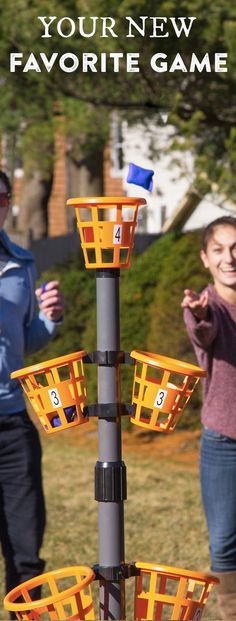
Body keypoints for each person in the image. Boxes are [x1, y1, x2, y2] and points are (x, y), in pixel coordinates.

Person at [0, 170, 64, 601]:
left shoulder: (22, 263)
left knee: (26, 553)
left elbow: (26, 341)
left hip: (13, 425)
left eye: (0, 197)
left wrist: (49, 319)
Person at [181, 215, 236, 621]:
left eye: (235, 248)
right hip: (223, 440)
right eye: (219, 249)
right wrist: (198, 316)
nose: (229, 258)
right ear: (205, 258)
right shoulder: (206, 307)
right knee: (225, 541)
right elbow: (204, 331)